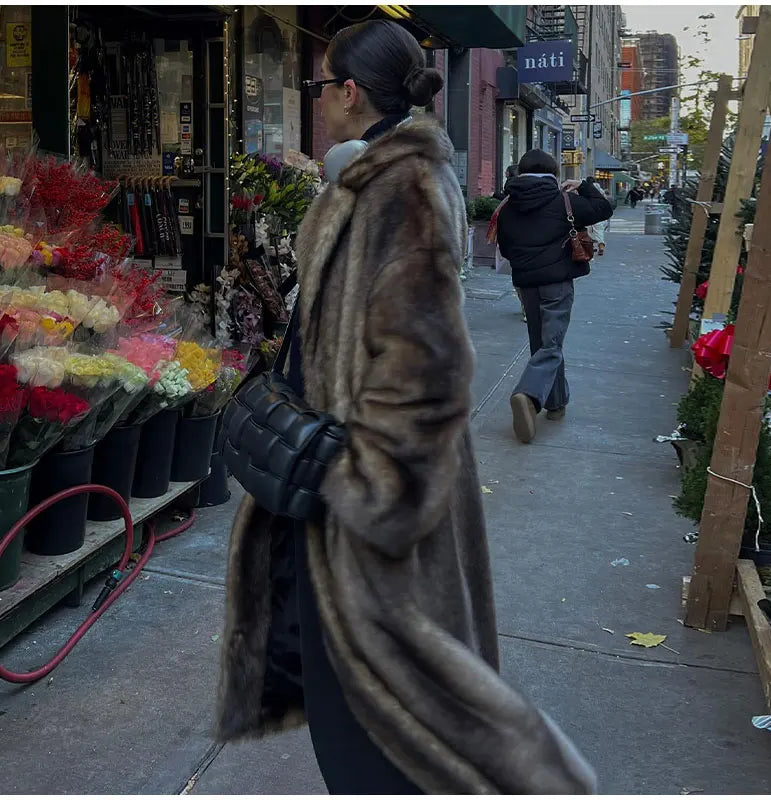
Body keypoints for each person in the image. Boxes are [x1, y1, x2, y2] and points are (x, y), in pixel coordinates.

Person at [216, 19, 595, 796]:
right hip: (338, 496)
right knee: (362, 724)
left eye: (321, 87)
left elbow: (428, 372)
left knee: (390, 739)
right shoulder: (370, 182)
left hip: (370, 519)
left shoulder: (402, 190)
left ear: (350, 93)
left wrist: (364, 488)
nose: (317, 101)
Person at [497, 151, 612, 444]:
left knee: (542, 343)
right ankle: (528, 395)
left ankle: (556, 404)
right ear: (553, 171)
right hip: (557, 283)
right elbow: (603, 208)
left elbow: (506, 249)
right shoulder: (564, 200)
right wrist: (583, 185)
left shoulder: (508, 205)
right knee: (552, 344)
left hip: (526, 284)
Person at [585, 176, 609, 256]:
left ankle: (590, 247)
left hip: (589, 213)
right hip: (599, 214)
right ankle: (601, 247)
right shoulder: (601, 191)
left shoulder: (585, 189)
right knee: (599, 231)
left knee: (588, 231)